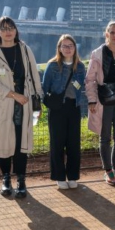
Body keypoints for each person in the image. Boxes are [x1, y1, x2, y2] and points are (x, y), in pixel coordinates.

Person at [0, 17, 42, 198]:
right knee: (3, 142)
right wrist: (14, 95)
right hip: (2, 104)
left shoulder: (25, 49)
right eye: (4, 28)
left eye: (11, 27)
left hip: (24, 104)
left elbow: (34, 75)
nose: (8, 31)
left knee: (21, 143)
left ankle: (21, 180)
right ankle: (6, 178)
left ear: (15, 30)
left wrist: (37, 98)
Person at [86, 20, 115, 185]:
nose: (114, 35)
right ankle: (108, 170)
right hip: (103, 100)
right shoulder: (97, 54)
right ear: (106, 34)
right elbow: (90, 79)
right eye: (111, 32)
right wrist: (91, 100)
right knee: (105, 137)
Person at [42, 34, 86, 189]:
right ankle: (59, 176)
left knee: (73, 143)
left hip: (74, 107)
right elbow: (44, 88)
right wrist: (42, 107)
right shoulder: (52, 65)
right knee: (57, 143)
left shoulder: (80, 66)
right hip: (57, 108)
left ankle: (73, 176)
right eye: (64, 46)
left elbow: (81, 86)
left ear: (75, 48)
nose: (68, 49)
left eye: (71, 46)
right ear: (59, 48)